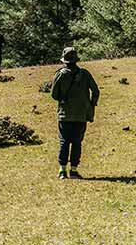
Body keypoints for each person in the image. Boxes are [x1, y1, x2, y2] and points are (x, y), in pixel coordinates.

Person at [50, 47, 100, 179]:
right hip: (81, 114)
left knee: (64, 141)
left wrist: (63, 99)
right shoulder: (85, 74)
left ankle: (62, 170)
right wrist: (90, 104)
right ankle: (74, 170)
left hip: (64, 113)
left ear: (64, 60)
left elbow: (54, 95)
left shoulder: (60, 74)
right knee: (77, 142)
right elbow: (96, 91)